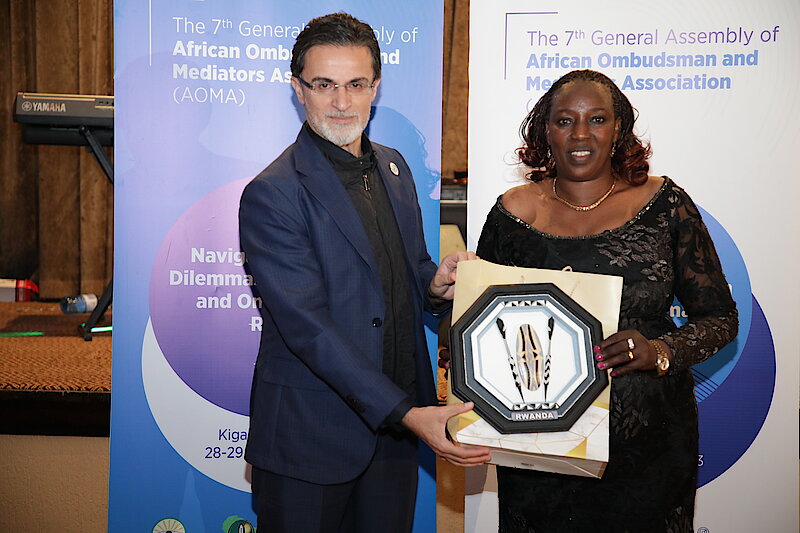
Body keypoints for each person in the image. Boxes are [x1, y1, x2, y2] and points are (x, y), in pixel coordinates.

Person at [238, 12, 490, 533]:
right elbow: (308, 328)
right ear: (298, 89)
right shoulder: (273, 193)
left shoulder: (394, 169)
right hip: (310, 440)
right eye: (324, 85)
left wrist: (435, 282)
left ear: (375, 87)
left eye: (355, 84)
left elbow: (407, 270)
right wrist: (406, 412)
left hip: (394, 439)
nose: (341, 102)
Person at [475, 69, 738, 532]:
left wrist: (660, 350)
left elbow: (720, 318)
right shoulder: (511, 214)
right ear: (545, 131)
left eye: (596, 119)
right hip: (540, 448)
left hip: (647, 449)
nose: (581, 134)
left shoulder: (664, 204)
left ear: (618, 130)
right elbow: (481, 328)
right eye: (565, 121)